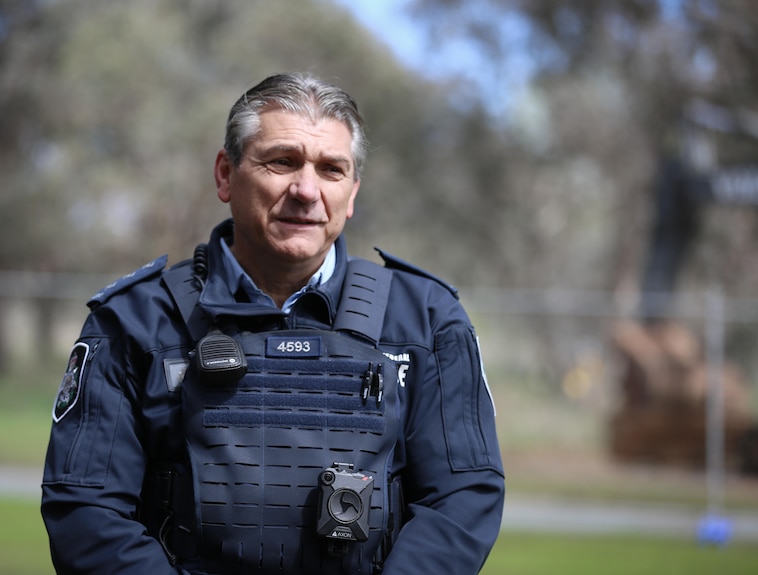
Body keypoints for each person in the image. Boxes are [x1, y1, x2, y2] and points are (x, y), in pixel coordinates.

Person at [41, 72, 504, 575]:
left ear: (351, 195)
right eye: (282, 161)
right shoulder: (133, 322)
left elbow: (461, 502)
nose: (306, 191)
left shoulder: (429, 322)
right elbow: (87, 514)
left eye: (331, 170)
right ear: (225, 174)